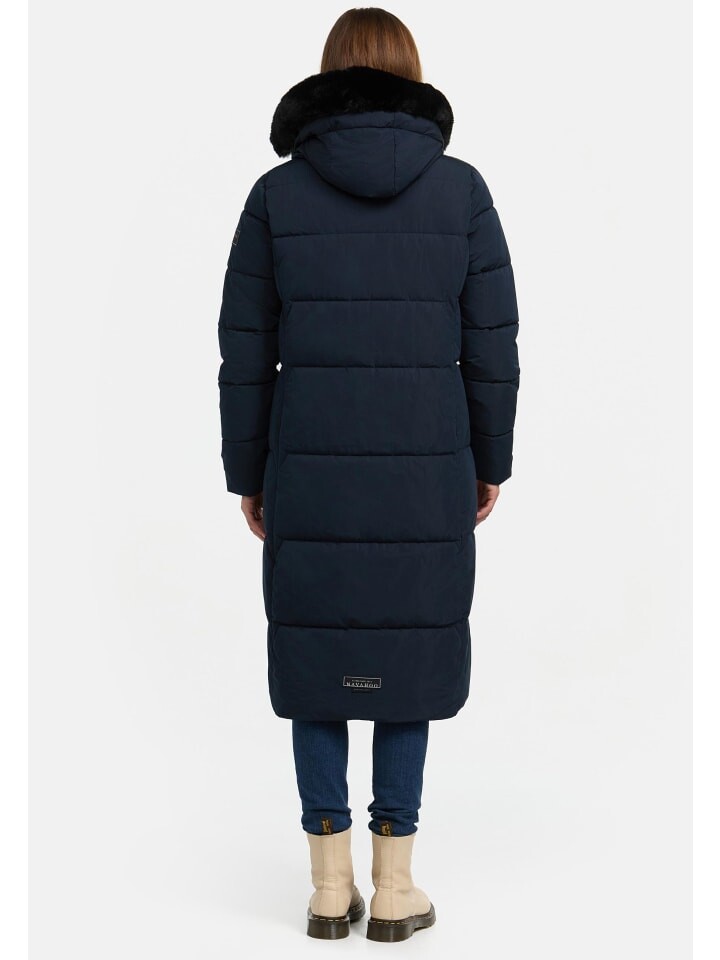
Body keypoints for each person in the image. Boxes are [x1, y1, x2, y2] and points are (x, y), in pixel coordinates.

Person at [216, 7, 520, 943]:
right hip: (427, 475)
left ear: (329, 78)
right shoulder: (462, 192)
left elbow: (244, 353)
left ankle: (325, 886)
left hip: (308, 472)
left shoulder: (277, 196)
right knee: (407, 661)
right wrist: (490, 462)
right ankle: (394, 887)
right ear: (412, 77)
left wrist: (249, 473)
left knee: (318, 662)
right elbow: (493, 348)